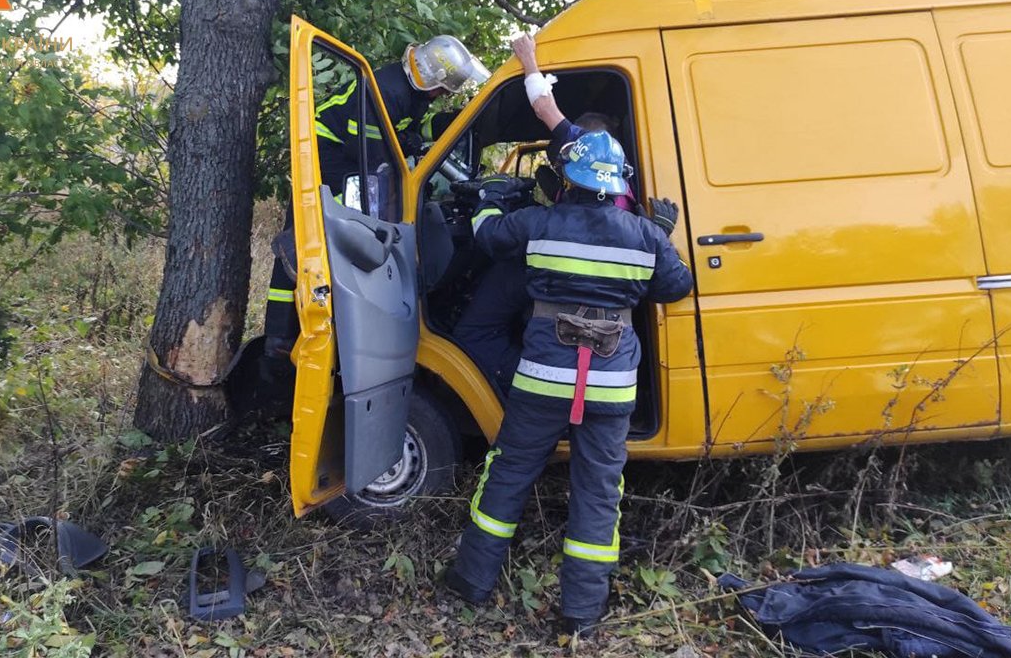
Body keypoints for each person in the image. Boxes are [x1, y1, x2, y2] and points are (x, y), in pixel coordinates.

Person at [444, 126, 694, 637]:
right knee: (599, 492)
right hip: (611, 387)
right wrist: (661, 233)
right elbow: (677, 286)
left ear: (566, 179)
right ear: (616, 181)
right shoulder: (644, 234)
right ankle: (581, 611)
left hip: (542, 381)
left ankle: (471, 581)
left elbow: (489, 236)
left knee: (510, 472)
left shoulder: (538, 222)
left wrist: (489, 201)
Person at [452, 34, 676, 395]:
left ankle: (519, 382)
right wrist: (659, 235)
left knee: (484, 317)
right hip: (611, 298)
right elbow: (671, 278)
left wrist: (528, 59)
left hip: (568, 285)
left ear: (578, 145)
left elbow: (544, 106)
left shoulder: (578, 145)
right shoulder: (623, 178)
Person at [263, 35, 490, 368]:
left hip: (348, 155)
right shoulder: (387, 90)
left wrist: (445, 125)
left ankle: (319, 323)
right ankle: (279, 337)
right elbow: (378, 157)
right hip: (325, 154)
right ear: (432, 80)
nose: (444, 95)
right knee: (325, 230)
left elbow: (406, 132)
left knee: (353, 230)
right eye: (444, 89)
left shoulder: (411, 91)